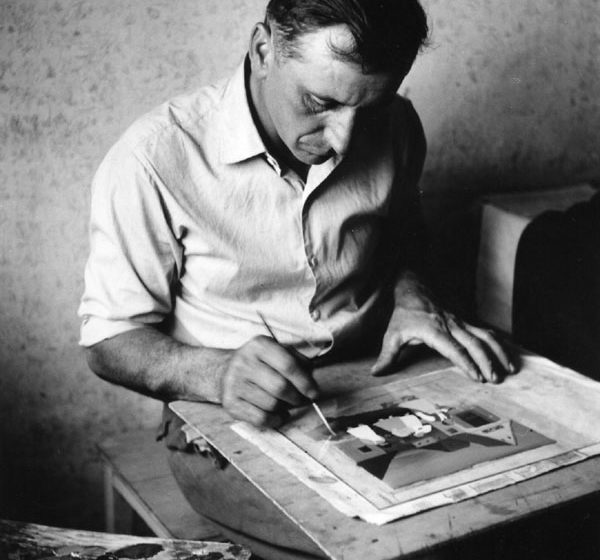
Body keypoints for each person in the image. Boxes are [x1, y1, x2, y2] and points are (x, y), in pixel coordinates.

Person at [79, 0, 513, 557]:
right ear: (263, 50)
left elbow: (404, 236)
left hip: (377, 383)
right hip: (231, 420)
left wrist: (413, 295)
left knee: (501, 514)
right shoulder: (153, 158)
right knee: (390, 546)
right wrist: (218, 374)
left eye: (371, 106)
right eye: (319, 102)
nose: (344, 140)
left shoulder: (397, 124)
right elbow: (108, 340)